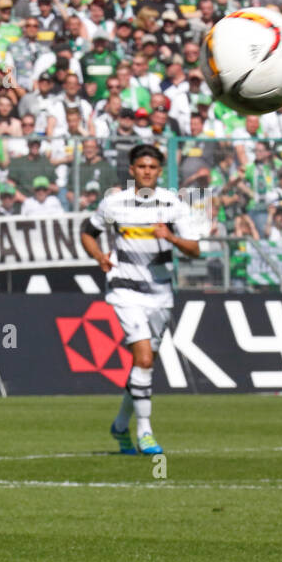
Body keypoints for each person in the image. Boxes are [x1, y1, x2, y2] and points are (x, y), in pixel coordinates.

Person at [80, 145, 203, 457]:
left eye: (152, 167)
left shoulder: (173, 204)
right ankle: (145, 432)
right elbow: (87, 231)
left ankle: (120, 426)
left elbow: (195, 249)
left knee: (143, 365)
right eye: (141, 167)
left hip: (160, 293)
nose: (147, 172)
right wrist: (99, 257)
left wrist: (171, 237)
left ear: (159, 171)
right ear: (132, 171)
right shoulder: (114, 203)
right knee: (145, 360)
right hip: (125, 291)